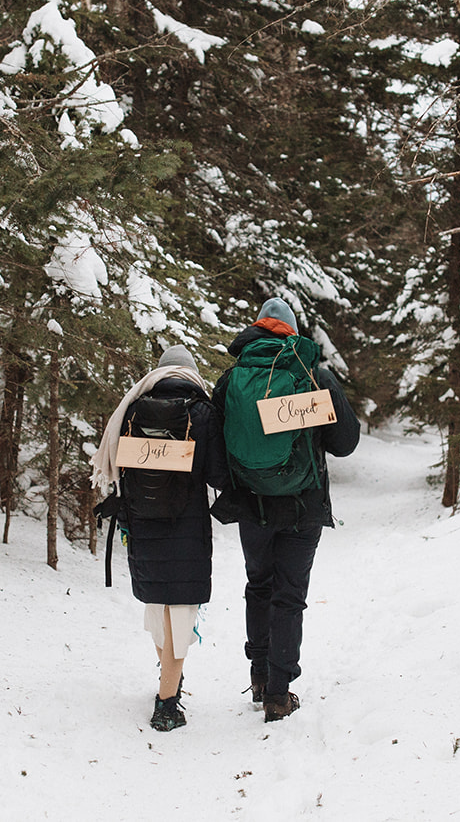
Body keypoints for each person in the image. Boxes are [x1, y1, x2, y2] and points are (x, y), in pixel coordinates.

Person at [209, 298, 359, 722]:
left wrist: (241, 480)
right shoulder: (312, 374)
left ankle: (258, 676)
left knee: (258, 586)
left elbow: (217, 456)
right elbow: (345, 443)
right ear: (292, 331)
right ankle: (278, 694)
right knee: (289, 596)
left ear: (256, 328)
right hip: (303, 504)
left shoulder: (231, 378)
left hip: (252, 504)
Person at [91, 345, 223, 732]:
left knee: (157, 607)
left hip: (144, 526)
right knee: (181, 614)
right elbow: (216, 475)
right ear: (192, 375)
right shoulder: (202, 413)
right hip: (187, 528)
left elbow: (123, 470)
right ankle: (167, 703)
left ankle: (168, 680)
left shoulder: (132, 410)